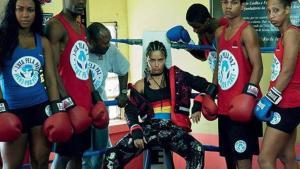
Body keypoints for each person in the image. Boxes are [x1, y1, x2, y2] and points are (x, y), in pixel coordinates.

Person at [102, 40, 216, 169]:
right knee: (111, 156)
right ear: (147, 60)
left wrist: (199, 101)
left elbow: (208, 87)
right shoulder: (140, 85)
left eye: (160, 60)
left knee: (197, 149)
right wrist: (136, 131)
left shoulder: (178, 77)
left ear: (165, 59)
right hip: (148, 130)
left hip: (172, 129)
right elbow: (130, 110)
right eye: (152, 60)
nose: (156, 64)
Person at [0, 0, 61, 168]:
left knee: (41, 161)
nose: (25, 15)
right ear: (13, 11)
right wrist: (1, 109)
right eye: (20, 9)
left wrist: (56, 108)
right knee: (11, 165)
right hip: (12, 109)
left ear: (36, 13)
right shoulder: (3, 39)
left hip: (40, 107)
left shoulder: (43, 42)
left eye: (30, 10)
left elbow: (50, 78)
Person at [211, 0, 263, 169]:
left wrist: (249, 96)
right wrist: (212, 92)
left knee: (243, 158)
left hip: (242, 109)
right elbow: (219, 64)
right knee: (229, 158)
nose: (228, 6)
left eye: (233, 2)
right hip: (224, 107)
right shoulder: (220, 33)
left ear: (242, 6)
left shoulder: (247, 32)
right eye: (225, 2)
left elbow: (258, 66)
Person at [45, 0, 97, 169]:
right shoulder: (55, 26)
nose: (81, 2)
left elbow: (85, 66)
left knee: (78, 155)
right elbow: (50, 69)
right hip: (68, 105)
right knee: (63, 155)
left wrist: (95, 96)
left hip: (84, 104)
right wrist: (67, 104)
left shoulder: (81, 28)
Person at [254, 0, 300, 168]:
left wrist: (268, 99)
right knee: (287, 156)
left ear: (287, 9)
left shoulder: (291, 34)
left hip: (287, 104)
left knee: (265, 159)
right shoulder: (284, 35)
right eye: (268, 11)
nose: (271, 15)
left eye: (276, 10)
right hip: (286, 103)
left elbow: (287, 72)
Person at [83, 22, 129, 169]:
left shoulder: (110, 51)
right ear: (90, 42)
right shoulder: (79, 50)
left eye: (109, 41)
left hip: (101, 109)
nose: (108, 45)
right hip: (80, 108)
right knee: (84, 154)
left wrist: (122, 93)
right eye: (104, 43)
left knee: (101, 152)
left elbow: (123, 70)